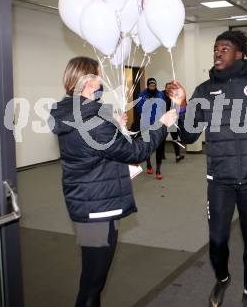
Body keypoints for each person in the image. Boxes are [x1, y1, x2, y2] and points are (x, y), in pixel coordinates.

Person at [167, 31, 247, 307]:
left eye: (224, 48)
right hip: (219, 179)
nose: (217, 53)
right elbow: (188, 136)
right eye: (215, 49)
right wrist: (182, 106)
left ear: (239, 53)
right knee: (217, 239)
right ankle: (222, 278)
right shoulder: (204, 90)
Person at [49, 57, 176, 307]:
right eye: (98, 75)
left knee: (92, 279)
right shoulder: (92, 121)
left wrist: (113, 128)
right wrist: (162, 126)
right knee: (92, 284)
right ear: (88, 82)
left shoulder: (71, 110)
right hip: (97, 209)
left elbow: (96, 150)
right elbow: (137, 152)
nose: (102, 80)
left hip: (88, 200)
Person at [137, 77, 166, 179]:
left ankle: (158, 170)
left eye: (154, 86)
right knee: (147, 145)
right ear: (148, 85)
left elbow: (163, 107)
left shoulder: (160, 94)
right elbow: (139, 108)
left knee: (159, 147)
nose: (152, 87)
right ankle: (148, 164)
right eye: (150, 86)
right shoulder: (142, 95)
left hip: (158, 125)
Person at [163, 82, 185, 163]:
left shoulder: (174, 95)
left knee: (175, 138)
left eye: (170, 88)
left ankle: (177, 155)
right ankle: (161, 154)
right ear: (165, 88)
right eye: (168, 88)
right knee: (162, 138)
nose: (169, 89)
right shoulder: (161, 95)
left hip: (172, 118)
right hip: (164, 119)